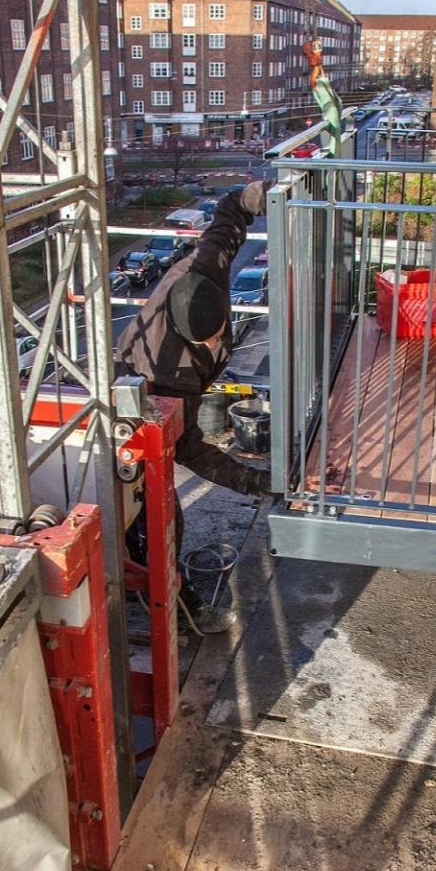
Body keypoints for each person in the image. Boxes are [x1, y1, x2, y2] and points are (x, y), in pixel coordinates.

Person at [114, 180, 267, 630]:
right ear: (186, 336)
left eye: (220, 331)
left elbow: (227, 219)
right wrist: (251, 480)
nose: (218, 342)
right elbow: (187, 448)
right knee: (156, 521)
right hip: (132, 421)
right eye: (208, 341)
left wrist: (254, 197)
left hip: (155, 383)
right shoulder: (167, 374)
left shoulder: (205, 272)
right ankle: (176, 610)